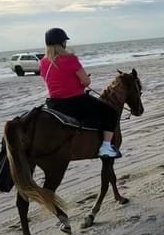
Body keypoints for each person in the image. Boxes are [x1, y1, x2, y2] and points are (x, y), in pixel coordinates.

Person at [39, 27, 122, 159]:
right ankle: (106, 147)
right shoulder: (70, 59)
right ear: (62, 43)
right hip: (74, 101)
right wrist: (80, 82)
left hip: (54, 104)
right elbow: (86, 82)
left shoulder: (43, 63)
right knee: (111, 113)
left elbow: (52, 81)